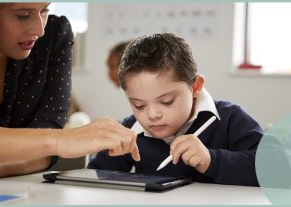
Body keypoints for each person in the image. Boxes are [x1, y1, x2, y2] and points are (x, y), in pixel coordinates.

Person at [0, 2, 140, 187]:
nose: (39, 30)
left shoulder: (54, 34)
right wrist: (60, 139)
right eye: (23, 15)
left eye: (45, 10)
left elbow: (44, 154)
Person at [88, 33, 264, 186]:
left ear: (195, 87)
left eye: (167, 101)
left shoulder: (228, 118)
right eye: (139, 105)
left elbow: (277, 170)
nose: (152, 115)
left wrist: (211, 160)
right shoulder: (131, 130)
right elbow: (93, 178)